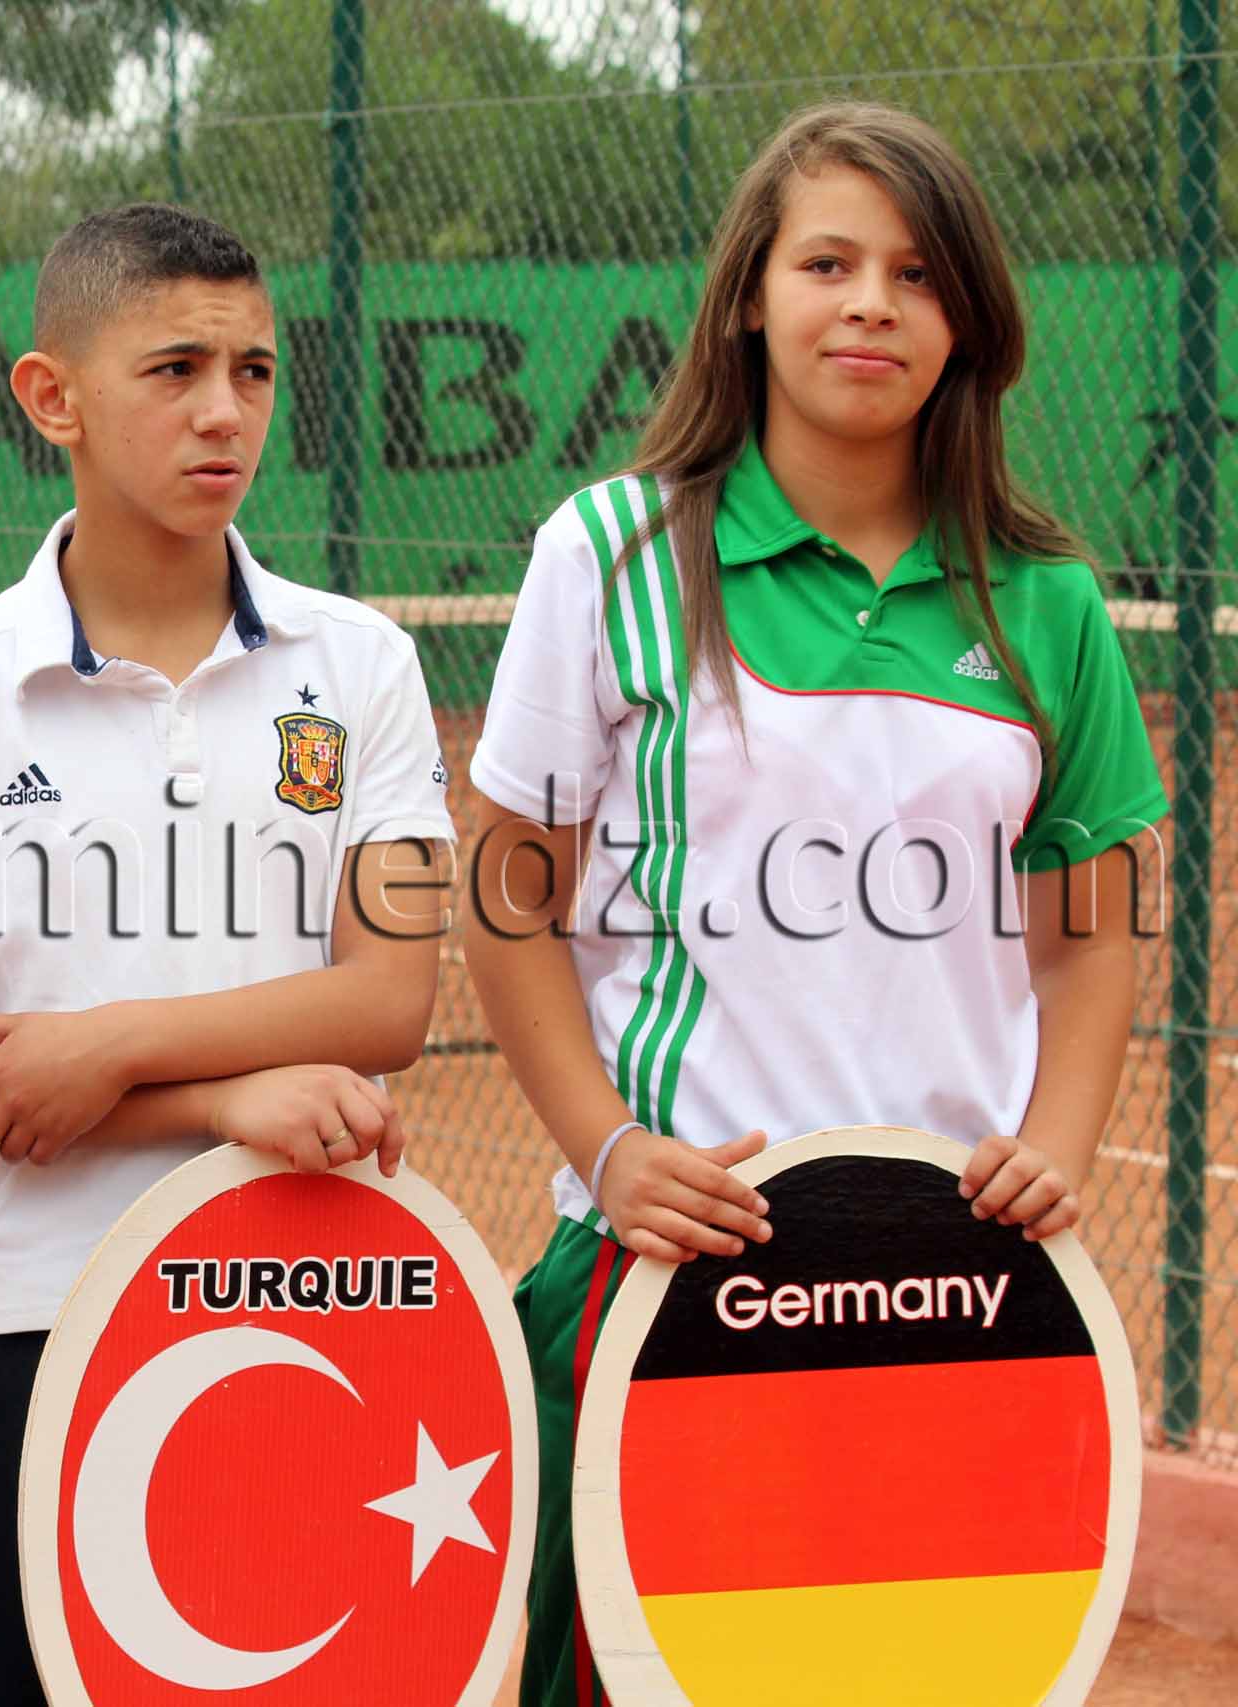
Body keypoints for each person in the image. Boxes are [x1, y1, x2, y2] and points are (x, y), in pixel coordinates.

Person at [464, 101, 1168, 1707]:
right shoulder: (614, 552)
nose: (869, 304)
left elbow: (1096, 926)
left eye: (916, 275)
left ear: (967, 324)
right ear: (748, 299)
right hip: (665, 1270)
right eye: (829, 262)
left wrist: (1054, 1150)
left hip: (949, 1288)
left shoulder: (1046, 599)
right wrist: (608, 1148)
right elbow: (507, 895)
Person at [0, 202, 456, 1705]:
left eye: (253, 370)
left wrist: (113, 1048)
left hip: (303, 1301)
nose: (224, 411)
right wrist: (220, 1101)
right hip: (19, 1316)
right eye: (173, 368)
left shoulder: (359, 665)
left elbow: (386, 997)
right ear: (51, 397)